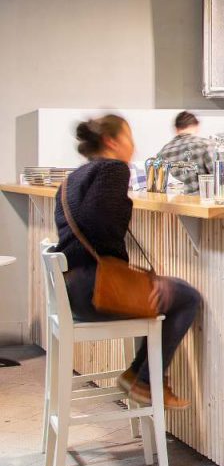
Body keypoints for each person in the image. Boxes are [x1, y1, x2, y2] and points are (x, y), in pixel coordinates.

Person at [55, 114, 200, 409]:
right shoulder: (114, 169)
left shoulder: (72, 178)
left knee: (174, 294)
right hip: (97, 291)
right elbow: (100, 221)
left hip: (70, 292)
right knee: (186, 297)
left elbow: (83, 221)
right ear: (112, 141)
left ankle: (137, 373)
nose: (133, 145)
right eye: (129, 137)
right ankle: (145, 382)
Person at [155, 111, 216, 195]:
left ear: (176, 129)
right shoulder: (206, 144)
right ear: (197, 126)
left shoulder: (163, 151)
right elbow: (220, 178)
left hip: (174, 205)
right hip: (203, 204)